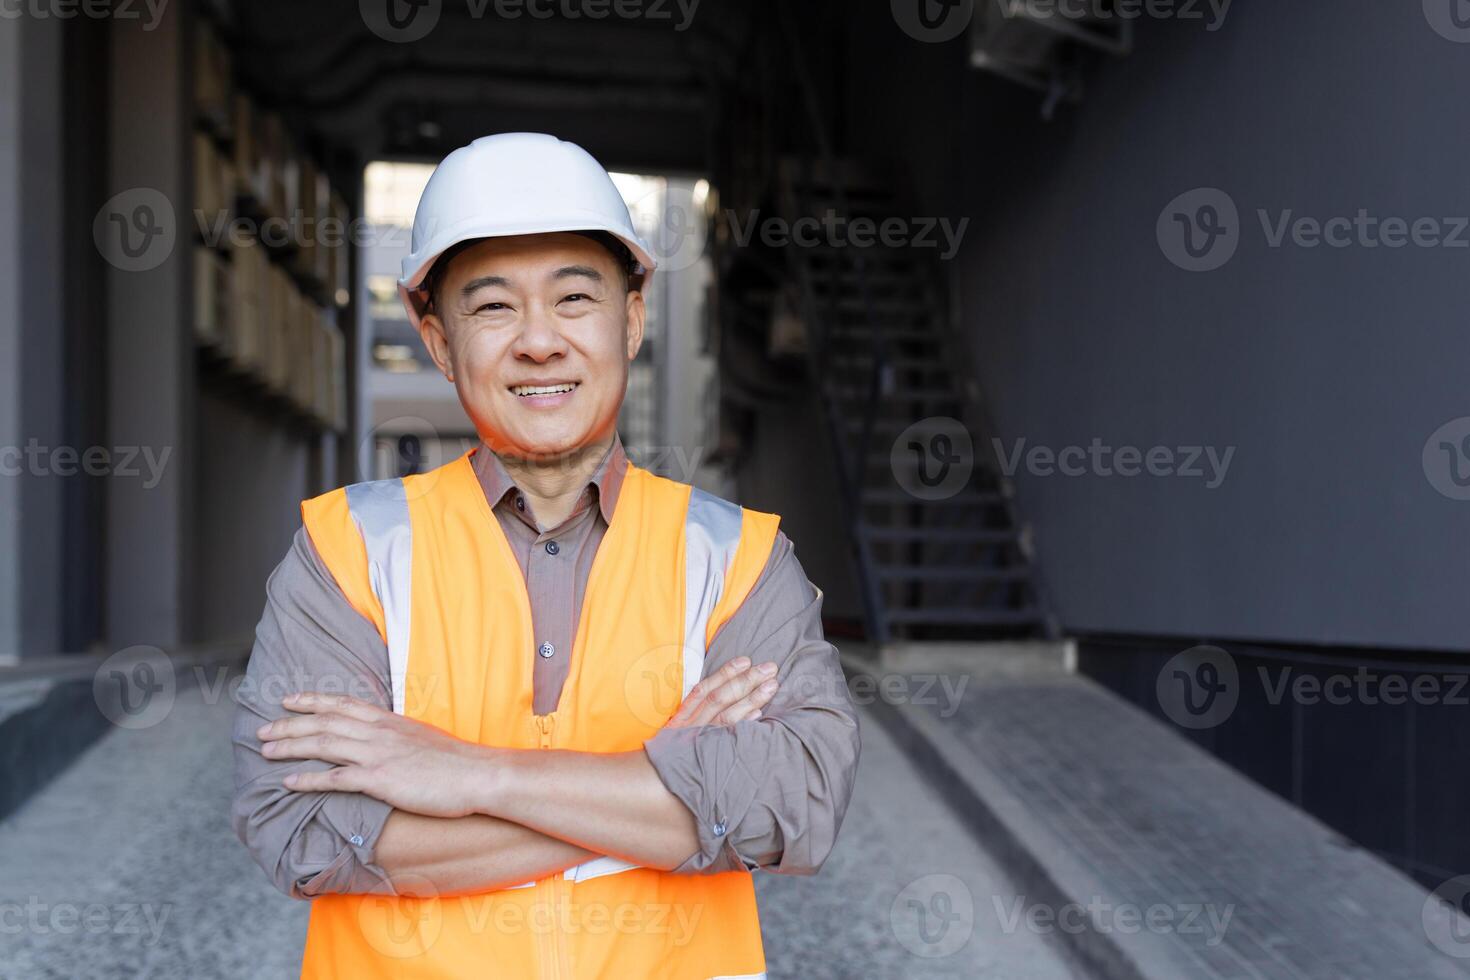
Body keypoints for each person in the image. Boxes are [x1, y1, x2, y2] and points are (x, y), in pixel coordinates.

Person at [231, 132, 860, 979]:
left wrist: (470, 775)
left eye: (574, 299)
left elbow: (797, 807)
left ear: (631, 320)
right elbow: (300, 829)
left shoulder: (739, 560)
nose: (539, 341)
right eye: (492, 307)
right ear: (437, 340)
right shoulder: (348, 554)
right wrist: (661, 790)